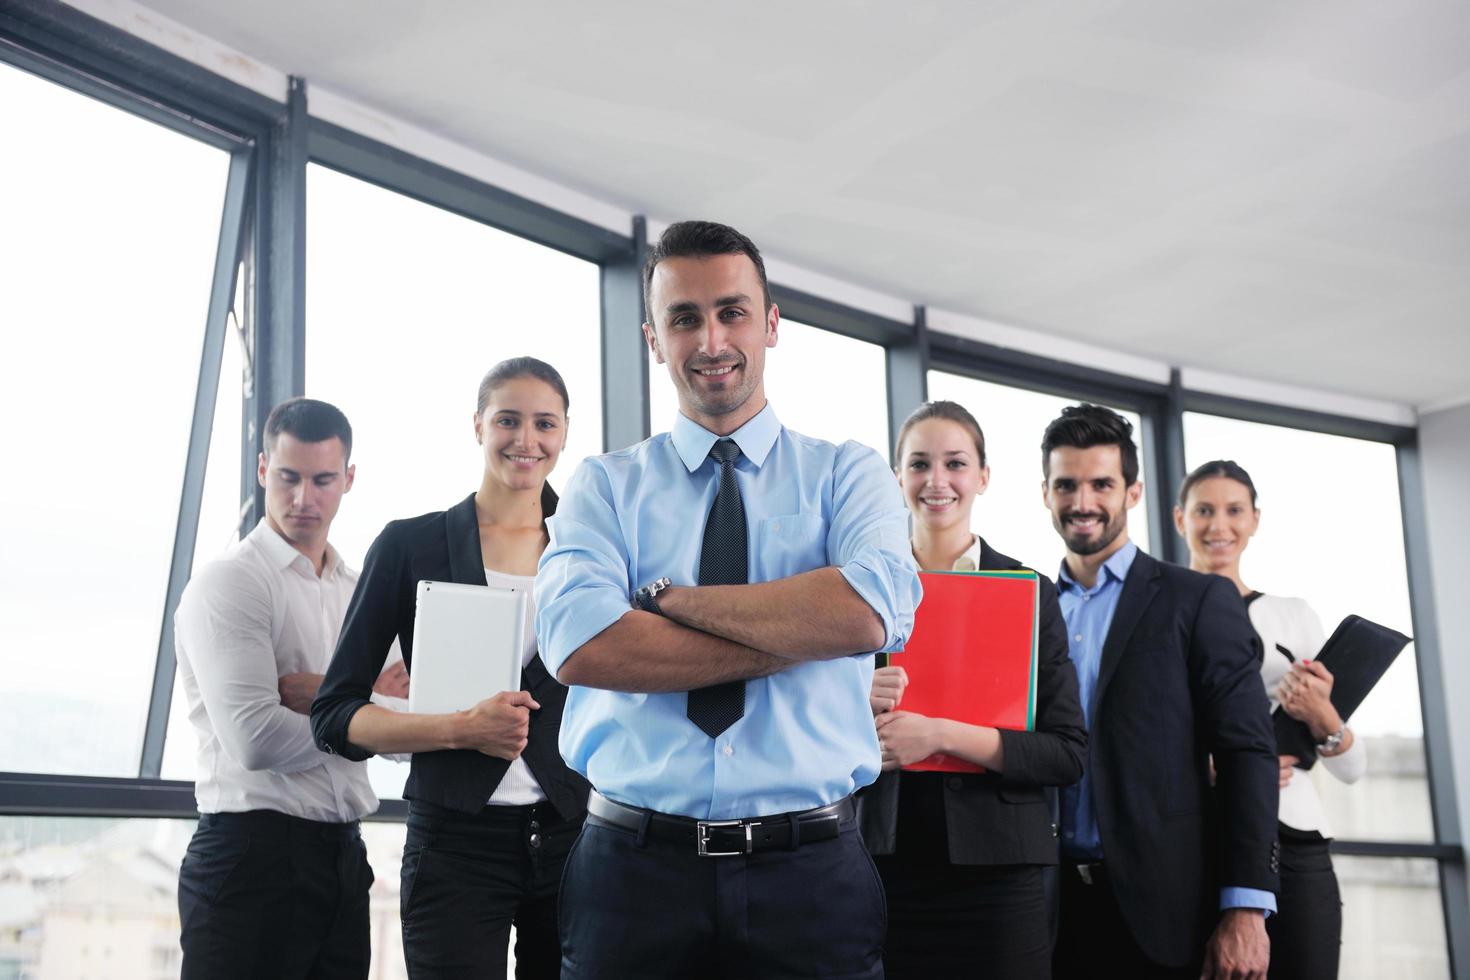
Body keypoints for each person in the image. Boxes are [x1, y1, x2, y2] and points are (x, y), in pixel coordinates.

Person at [535, 220, 922, 980]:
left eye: (732, 311)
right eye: (684, 318)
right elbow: (584, 647)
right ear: (653, 338)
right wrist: (801, 629)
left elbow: (867, 613)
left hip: (810, 877)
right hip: (631, 875)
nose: (711, 339)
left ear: (772, 324)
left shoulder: (847, 475)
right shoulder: (604, 487)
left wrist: (670, 601)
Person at [310, 358, 589, 979]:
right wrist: (459, 730)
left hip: (578, 838)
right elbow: (333, 715)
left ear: (566, 433)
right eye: (507, 420)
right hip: (456, 847)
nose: (526, 440)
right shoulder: (411, 546)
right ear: (478, 426)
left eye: (545, 423)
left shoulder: (595, 549)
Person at [1040, 404, 1279, 980]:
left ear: (1133, 492)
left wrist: (1246, 907)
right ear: (1045, 493)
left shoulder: (1194, 600)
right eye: (1066, 485)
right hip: (1047, 908)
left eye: (1102, 484)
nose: (1083, 502)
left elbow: (1247, 750)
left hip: (1163, 908)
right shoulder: (1032, 606)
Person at [173, 397, 409, 980]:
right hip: (252, 857)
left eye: (323, 479)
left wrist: (325, 697)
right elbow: (255, 739)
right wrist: (371, 705)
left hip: (343, 859)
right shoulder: (232, 582)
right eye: (289, 477)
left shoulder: (362, 591)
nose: (305, 498)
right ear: (262, 470)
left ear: (349, 479)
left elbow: (412, 736)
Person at [859, 400, 1086, 979]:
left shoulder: (1030, 593)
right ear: (896, 477)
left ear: (983, 477)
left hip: (999, 882)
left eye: (955, 463)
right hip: (879, 872)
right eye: (919, 464)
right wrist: (854, 702)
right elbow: (803, 727)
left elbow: (1065, 753)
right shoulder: (858, 592)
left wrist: (938, 735)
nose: (937, 481)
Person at [1177, 459, 1364, 980]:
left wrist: (1322, 713)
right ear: (1179, 519)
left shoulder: (1294, 615)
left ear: (1255, 519)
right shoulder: (1163, 616)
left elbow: (1352, 769)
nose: (1220, 526)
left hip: (1296, 839)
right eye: (1204, 511)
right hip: (1198, 837)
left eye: (1235, 511)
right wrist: (1213, 766)